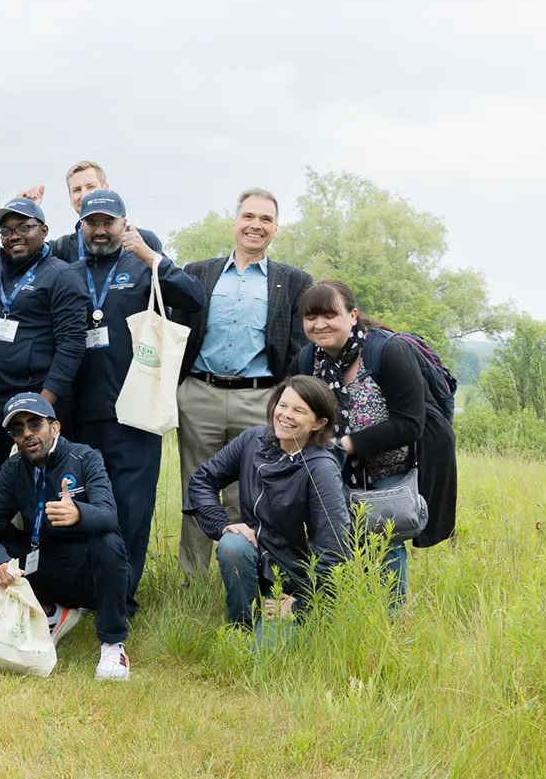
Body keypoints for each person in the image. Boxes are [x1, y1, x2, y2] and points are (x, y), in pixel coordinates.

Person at [62, 190, 204, 610]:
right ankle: (85, 589)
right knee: (85, 503)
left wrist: (151, 258)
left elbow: (193, 298)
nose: (100, 230)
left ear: (125, 224)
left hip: (136, 410)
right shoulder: (68, 273)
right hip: (82, 413)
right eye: (93, 222)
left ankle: (120, 595)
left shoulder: (143, 268)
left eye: (109, 222)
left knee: (131, 508)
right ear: (81, 227)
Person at [173, 189, 313, 580]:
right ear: (235, 222)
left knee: (249, 494)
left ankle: (242, 579)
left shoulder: (294, 281)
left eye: (266, 219)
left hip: (260, 399)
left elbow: (299, 348)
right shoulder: (198, 272)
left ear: (276, 229)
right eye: (249, 216)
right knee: (196, 488)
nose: (256, 225)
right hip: (200, 394)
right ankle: (193, 581)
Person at [295, 280, 458, 594]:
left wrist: (346, 445)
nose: (319, 324)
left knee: (385, 547)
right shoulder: (306, 360)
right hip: (329, 473)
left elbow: (411, 423)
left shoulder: (387, 351)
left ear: (352, 315)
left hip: (388, 474)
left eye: (329, 315)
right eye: (310, 317)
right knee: (330, 549)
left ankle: (391, 624)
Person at [0, 394, 133, 680]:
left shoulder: (85, 457)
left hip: (86, 572)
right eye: (17, 429)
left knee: (109, 541)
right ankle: (48, 610)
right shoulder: (14, 468)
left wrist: (79, 512)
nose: (27, 433)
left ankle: (112, 644)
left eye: (35, 424)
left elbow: (109, 515)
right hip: (41, 565)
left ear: (55, 427)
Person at [185, 375, 352, 626]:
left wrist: (302, 603)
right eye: (282, 405)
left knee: (265, 655)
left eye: (298, 410)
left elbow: (334, 549)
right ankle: (241, 622)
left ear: (318, 422)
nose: (285, 415)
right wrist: (222, 525)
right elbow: (201, 481)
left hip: (298, 584)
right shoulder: (253, 440)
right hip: (257, 566)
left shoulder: (321, 469)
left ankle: (286, 619)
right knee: (233, 543)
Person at [0, 197, 88, 458]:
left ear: (44, 230)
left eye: (23, 228)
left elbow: (71, 346)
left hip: (37, 405)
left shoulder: (63, 276)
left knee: (39, 487)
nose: (14, 236)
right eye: (6, 231)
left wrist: (42, 408)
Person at [33, 160, 165, 263]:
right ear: (70, 198)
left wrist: (150, 257)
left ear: (106, 189)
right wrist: (28, 211)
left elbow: (172, 288)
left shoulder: (144, 239)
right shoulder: (62, 247)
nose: (84, 195)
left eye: (91, 186)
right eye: (77, 190)